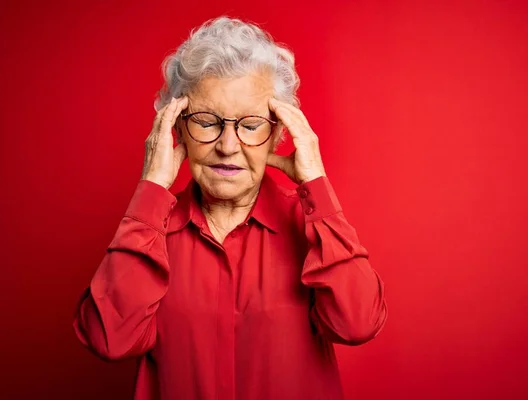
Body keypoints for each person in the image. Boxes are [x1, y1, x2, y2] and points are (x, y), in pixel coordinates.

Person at [73, 16, 387, 400]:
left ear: (277, 133)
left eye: (251, 124)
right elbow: (109, 339)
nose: (227, 145)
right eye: (206, 121)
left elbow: (357, 324)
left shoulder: (309, 227)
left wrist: (317, 187)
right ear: (177, 129)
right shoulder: (151, 232)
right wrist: (150, 190)